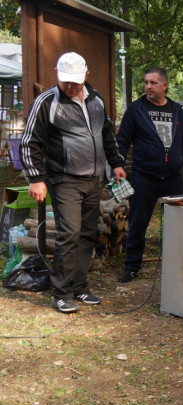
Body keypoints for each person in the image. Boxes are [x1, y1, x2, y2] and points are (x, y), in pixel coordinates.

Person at [19, 52, 126, 313]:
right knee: (70, 234)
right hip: (63, 178)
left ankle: (79, 286)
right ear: (57, 74)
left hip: (93, 179)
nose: (70, 86)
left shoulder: (96, 100)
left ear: (86, 76)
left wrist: (116, 163)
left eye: (75, 81)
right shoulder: (47, 102)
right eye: (65, 80)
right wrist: (35, 178)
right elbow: (29, 142)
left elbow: (107, 134)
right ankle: (61, 293)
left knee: (87, 233)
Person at [116, 67, 183, 283]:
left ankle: (178, 265)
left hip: (172, 177)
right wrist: (118, 164)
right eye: (146, 82)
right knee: (138, 223)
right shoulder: (136, 110)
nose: (148, 86)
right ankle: (132, 267)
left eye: (153, 83)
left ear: (164, 86)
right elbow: (122, 140)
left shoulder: (176, 110)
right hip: (144, 176)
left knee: (177, 224)